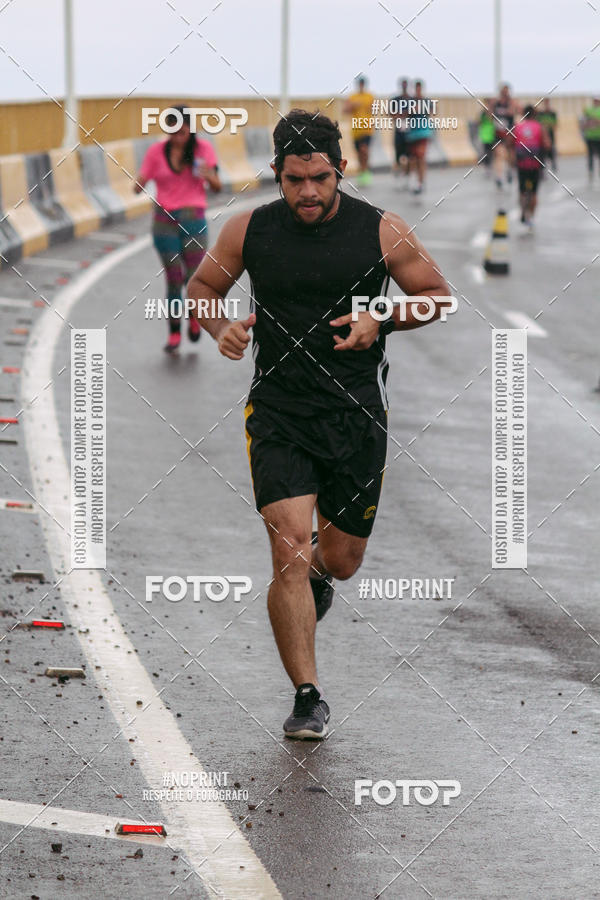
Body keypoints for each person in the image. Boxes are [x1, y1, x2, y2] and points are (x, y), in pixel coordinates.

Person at [187, 109, 450, 740]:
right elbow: (202, 288)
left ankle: (320, 577)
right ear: (276, 173)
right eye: (295, 179)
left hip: (356, 415)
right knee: (288, 549)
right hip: (278, 412)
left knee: (342, 558)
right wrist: (220, 328)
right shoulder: (249, 229)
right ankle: (307, 696)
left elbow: (438, 296)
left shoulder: (381, 229)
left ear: (341, 170)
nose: (308, 191)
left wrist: (381, 319)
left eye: (320, 178)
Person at [134, 105, 221, 352]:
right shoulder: (156, 152)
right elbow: (138, 186)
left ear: (191, 130)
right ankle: (174, 331)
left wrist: (208, 175)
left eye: (182, 132)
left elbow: (217, 187)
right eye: (172, 132)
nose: (177, 137)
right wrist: (139, 182)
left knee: (193, 277)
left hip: (193, 219)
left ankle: (193, 318)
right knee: (173, 277)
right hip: (164, 222)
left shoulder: (203, 150)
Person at [513, 105, 551, 228]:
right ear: (535, 115)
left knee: (522, 190)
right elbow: (547, 144)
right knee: (534, 192)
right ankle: (531, 217)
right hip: (535, 164)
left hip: (521, 163)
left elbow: (510, 143)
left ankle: (523, 210)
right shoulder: (540, 127)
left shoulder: (518, 127)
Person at [344, 76, 375, 187]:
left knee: (364, 150)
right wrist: (353, 106)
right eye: (360, 83)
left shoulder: (369, 96)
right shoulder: (352, 97)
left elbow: (375, 109)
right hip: (356, 130)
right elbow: (345, 110)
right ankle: (362, 171)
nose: (361, 85)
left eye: (362, 83)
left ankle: (365, 170)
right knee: (359, 153)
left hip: (367, 129)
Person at [405, 79, 433, 194]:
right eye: (416, 88)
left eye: (419, 88)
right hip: (412, 134)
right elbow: (404, 114)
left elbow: (432, 112)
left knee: (421, 157)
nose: (417, 90)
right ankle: (416, 179)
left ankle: (421, 182)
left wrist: (421, 108)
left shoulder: (426, 101)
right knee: (414, 158)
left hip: (423, 132)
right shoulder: (409, 101)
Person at [492, 84, 516, 189]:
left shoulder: (511, 102)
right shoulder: (495, 103)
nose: (505, 94)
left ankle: (509, 170)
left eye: (506, 92)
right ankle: (499, 177)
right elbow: (490, 114)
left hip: (508, 133)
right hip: (498, 133)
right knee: (499, 154)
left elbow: (514, 111)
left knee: (509, 154)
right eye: (503, 92)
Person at [391, 77, 411, 187]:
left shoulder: (411, 100)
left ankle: (407, 176)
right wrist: (400, 115)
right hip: (399, 132)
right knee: (398, 156)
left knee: (409, 156)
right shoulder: (395, 100)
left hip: (409, 132)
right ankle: (398, 176)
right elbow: (391, 114)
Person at [582, 97, 600, 183]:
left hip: (598, 136)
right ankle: (590, 170)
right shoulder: (588, 110)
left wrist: (596, 121)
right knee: (590, 155)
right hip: (590, 136)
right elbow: (584, 122)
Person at [538, 98, 558, 171]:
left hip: (550, 134)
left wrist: (548, 125)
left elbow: (555, 125)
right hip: (543, 135)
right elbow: (538, 124)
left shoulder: (552, 113)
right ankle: (542, 165)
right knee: (542, 151)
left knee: (551, 149)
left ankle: (553, 164)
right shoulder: (540, 113)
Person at [478, 99, 497, 173]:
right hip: (485, 136)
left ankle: (491, 165)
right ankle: (487, 166)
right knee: (486, 152)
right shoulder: (482, 113)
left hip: (492, 135)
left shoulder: (493, 113)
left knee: (492, 152)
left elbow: (492, 120)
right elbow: (478, 122)